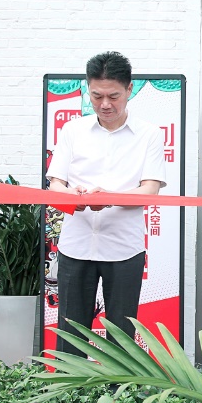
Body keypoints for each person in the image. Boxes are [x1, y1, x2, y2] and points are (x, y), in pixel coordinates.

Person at [47, 52, 166, 356]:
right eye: (97, 95)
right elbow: (56, 184)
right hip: (76, 245)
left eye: (113, 96)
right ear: (88, 90)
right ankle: (69, 397)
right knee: (71, 333)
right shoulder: (73, 131)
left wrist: (107, 198)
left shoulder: (149, 135)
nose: (105, 104)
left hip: (124, 248)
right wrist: (74, 195)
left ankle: (119, 397)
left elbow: (150, 190)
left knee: (122, 336)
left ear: (129, 90)